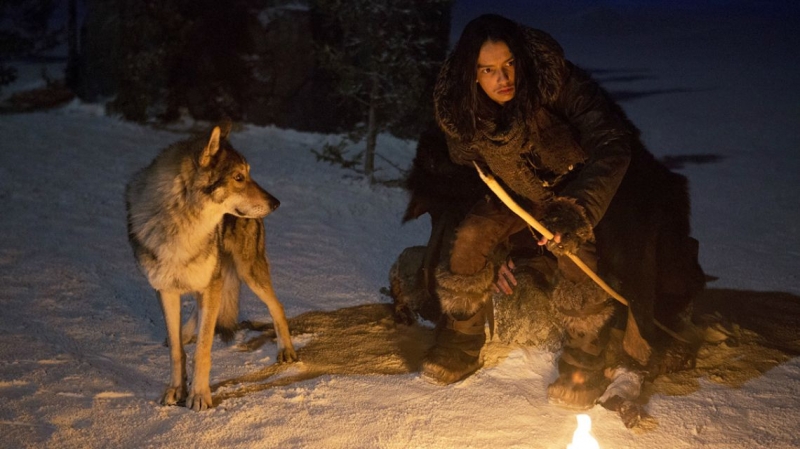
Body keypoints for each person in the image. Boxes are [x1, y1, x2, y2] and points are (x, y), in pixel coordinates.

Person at [420, 14, 705, 408]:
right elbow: (472, 179)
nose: (503, 79)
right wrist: (497, 251)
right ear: (472, 75)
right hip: (515, 196)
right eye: (488, 70)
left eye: (509, 65)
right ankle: (461, 340)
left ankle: (582, 356)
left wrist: (578, 210)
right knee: (470, 237)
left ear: (521, 58)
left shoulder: (558, 82)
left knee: (574, 252)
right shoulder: (461, 112)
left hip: (578, 188)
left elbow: (611, 142)